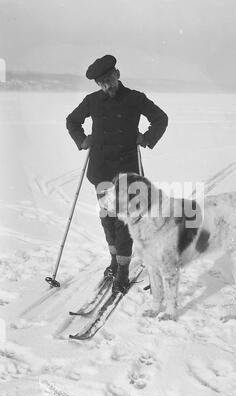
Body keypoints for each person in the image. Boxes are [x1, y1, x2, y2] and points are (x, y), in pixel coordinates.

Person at [66, 54, 168, 293]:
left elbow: (160, 118)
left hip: (127, 170)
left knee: (125, 220)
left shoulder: (135, 98)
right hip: (100, 167)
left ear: (117, 75)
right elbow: (72, 121)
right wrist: (82, 140)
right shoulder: (92, 101)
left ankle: (123, 270)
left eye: (109, 80)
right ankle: (114, 260)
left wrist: (146, 138)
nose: (106, 86)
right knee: (108, 217)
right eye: (101, 83)